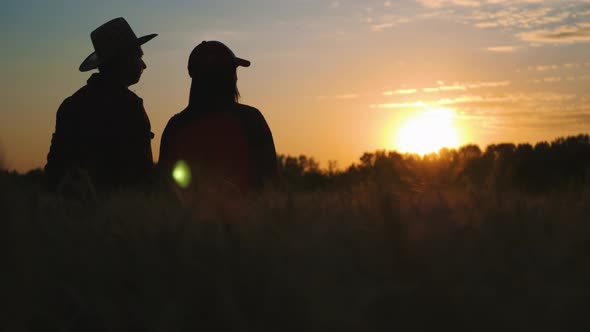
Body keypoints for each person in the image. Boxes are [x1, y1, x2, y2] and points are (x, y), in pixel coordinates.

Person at [45, 17, 157, 192]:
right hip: (119, 213)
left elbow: (54, 172)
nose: (143, 64)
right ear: (123, 59)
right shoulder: (129, 106)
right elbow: (142, 176)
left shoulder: (70, 105)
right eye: (138, 56)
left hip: (74, 211)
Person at [159, 41, 278, 194]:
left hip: (187, 215)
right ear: (230, 76)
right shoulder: (250, 119)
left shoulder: (176, 125)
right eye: (233, 71)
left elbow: (164, 185)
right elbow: (269, 181)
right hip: (243, 214)